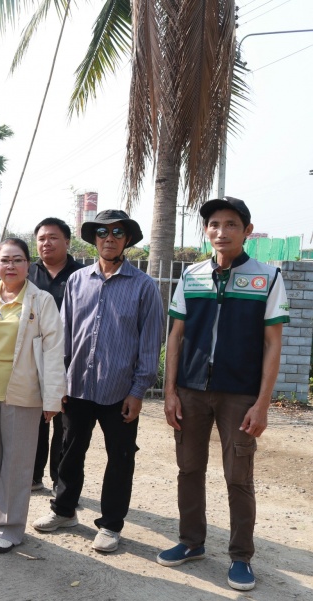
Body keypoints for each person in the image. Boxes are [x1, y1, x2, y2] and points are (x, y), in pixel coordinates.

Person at [157, 197, 289, 591]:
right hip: (191, 390)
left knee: (238, 477)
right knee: (189, 469)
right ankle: (191, 541)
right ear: (206, 230)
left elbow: (273, 343)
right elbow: (176, 336)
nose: (221, 231)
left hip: (240, 395)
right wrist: (170, 392)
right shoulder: (192, 275)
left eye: (231, 224)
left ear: (247, 231)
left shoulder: (268, 277)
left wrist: (262, 403)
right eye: (214, 224)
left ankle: (241, 557)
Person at [32, 209, 163, 553]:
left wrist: (138, 391)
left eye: (118, 232)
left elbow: (150, 343)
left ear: (127, 240)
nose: (109, 238)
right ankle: (64, 511)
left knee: (120, 457)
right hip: (77, 385)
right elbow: (63, 335)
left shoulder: (144, 286)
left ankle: (110, 524)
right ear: (94, 239)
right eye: (102, 232)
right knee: (70, 451)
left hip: (119, 390)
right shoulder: (78, 281)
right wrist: (58, 381)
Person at [0, 238, 66, 553]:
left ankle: (10, 527)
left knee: (17, 463)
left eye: (17, 260)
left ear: (28, 265)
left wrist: (52, 398)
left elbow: (54, 351)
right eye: (5, 260)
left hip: (24, 392)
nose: (11, 266)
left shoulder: (41, 301)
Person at [28, 217, 85, 493]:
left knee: (65, 425)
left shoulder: (82, 275)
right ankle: (32, 476)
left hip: (69, 360)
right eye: (41, 238)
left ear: (67, 242)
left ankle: (59, 480)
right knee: (34, 421)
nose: (46, 243)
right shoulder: (27, 273)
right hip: (31, 360)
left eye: (53, 237)